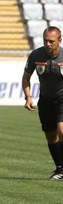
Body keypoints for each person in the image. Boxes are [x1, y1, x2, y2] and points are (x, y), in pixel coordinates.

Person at [23, 26, 63, 180]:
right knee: (51, 136)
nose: (48, 44)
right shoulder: (36, 55)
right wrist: (28, 97)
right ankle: (59, 169)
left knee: (62, 131)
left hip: (62, 99)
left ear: (59, 40)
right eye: (45, 40)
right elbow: (26, 77)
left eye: (51, 41)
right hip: (45, 100)